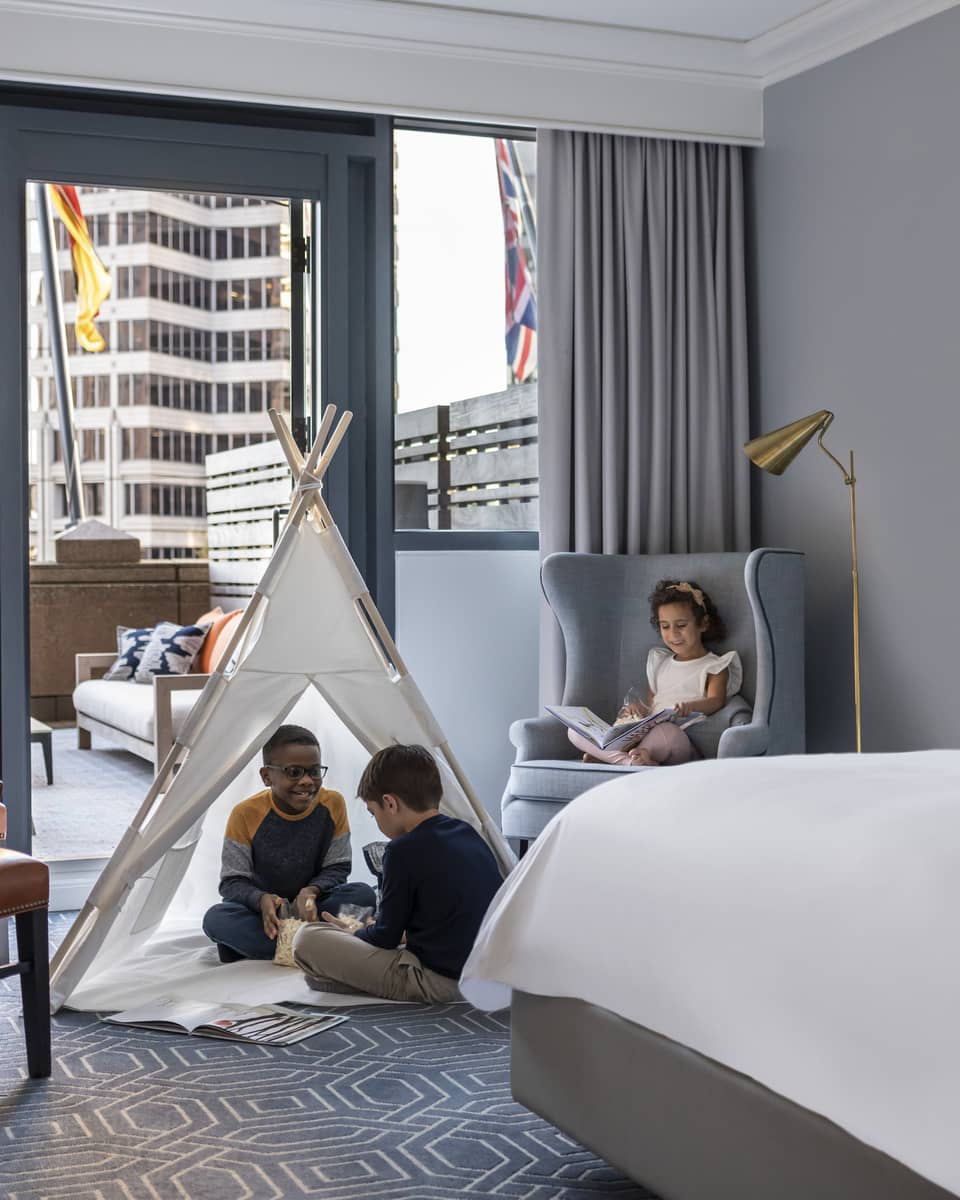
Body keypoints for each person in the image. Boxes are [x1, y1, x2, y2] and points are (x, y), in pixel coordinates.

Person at [292, 744, 503, 1003]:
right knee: (360, 923)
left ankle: (345, 977)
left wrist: (354, 934)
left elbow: (385, 938)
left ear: (390, 803)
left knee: (307, 939)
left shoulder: (401, 851)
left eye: (373, 813)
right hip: (487, 975)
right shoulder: (468, 832)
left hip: (439, 981)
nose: (376, 821)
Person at [202, 724, 377, 962]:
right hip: (265, 911)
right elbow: (232, 883)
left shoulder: (333, 803)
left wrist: (310, 892)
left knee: (363, 894)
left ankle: (268, 947)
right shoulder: (245, 814)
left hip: (313, 905)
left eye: (314, 771)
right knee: (216, 918)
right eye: (294, 772)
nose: (307, 781)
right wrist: (261, 899)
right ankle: (317, 944)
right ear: (267, 776)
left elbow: (338, 868)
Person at [568, 579, 742, 768]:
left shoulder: (714, 665)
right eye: (665, 626)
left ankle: (615, 760)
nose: (673, 634)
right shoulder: (660, 663)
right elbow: (652, 705)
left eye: (681, 625)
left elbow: (716, 700)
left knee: (667, 732)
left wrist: (690, 707)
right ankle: (632, 762)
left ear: (703, 623)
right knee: (575, 731)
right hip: (645, 737)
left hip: (678, 739)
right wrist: (638, 712)